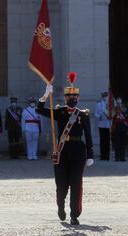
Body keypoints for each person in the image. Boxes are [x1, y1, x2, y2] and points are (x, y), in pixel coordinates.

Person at [36, 74, 94, 225]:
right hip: (61, 152)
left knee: (76, 184)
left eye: (74, 96)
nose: (72, 99)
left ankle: (74, 214)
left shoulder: (83, 115)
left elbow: (88, 135)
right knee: (61, 184)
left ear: (78, 98)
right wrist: (46, 94)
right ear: (65, 98)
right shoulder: (59, 112)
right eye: (69, 96)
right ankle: (60, 206)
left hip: (78, 152)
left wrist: (90, 154)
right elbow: (39, 110)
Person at [94, 92, 112, 160]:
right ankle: (103, 155)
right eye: (104, 96)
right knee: (102, 140)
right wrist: (99, 117)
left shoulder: (109, 105)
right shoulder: (98, 104)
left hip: (108, 125)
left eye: (106, 96)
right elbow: (96, 114)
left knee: (107, 140)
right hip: (101, 124)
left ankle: (107, 156)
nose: (105, 97)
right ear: (102, 97)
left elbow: (111, 113)